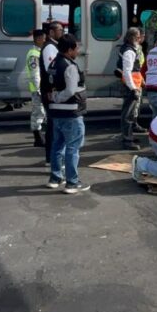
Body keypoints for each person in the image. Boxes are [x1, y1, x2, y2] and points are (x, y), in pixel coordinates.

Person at [45, 34, 90, 194]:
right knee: (73, 147)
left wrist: (54, 98)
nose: (78, 51)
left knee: (57, 145)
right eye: (76, 48)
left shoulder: (53, 63)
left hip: (55, 112)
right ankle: (72, 182)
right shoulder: (69, 66)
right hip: (71, 112)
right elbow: (70, 90)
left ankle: (55, 178)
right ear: (70, 50)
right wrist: (58, 97)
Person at [116, 27, 145, 151]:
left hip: (132, 85)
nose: (139, 39)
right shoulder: (129, 51)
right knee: (128, 114)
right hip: (130, 86)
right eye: (138, 37)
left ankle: (129, 136)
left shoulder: (128, 49)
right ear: (133, 37)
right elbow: (127, 72)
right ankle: (127, 140)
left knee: (130, 113)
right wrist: (133, 88)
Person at [38, 21, 64, 164]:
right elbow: (52, 70)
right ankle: (51, 157)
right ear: (52, 32)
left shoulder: (55, 46)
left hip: (51, 91)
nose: (62, 32)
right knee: (53, 125)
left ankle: (53, 157)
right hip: (49, 91)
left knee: (54, 125)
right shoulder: (50, 47)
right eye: (60, 30)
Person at [26, 29, 47, 147]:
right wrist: (39, 90)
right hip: (37, 89)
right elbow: (35, 74)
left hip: (40, 88)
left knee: (42, 113)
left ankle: (41, 137)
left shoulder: (39, 52)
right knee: (38, 113)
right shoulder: (34, 54)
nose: (45, 40)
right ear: (38, 39)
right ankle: (38, 138)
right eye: (44, 38)